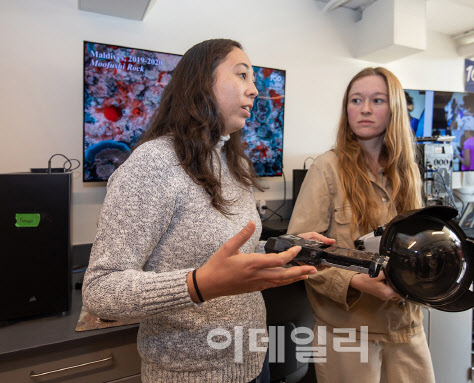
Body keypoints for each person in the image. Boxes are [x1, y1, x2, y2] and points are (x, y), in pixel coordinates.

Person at [82, 39, 332, 383]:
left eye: (255, 80)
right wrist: (198, 285)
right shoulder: (152, 164)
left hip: (252, 361)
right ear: (200, 82)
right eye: (242, 75)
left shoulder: (233, 163)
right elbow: (101, 291)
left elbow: (233, 254)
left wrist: (283, 248)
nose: (255, 90)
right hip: (191, 375)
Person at [288, 67, 435, 383]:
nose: (365, 109)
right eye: (356, 100)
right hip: (349, 331)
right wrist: (357, 282)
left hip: (405, 323)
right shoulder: (327, 169)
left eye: (377, 100)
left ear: (393, 108)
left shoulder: (408, 173)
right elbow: (300, 252)